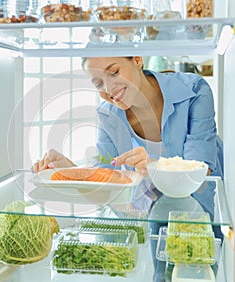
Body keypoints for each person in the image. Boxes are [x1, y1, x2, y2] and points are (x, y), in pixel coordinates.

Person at [31, 56, 224, 280]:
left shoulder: (193, 90)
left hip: (203, 217)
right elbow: (107, 186)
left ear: (137, 60)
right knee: (161, 275)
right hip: (156, 221)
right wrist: (72, 172)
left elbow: (202, 172)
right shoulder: (108, 115)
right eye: (98, 83)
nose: (109, 88)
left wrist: (154, 166)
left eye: (113, 72)